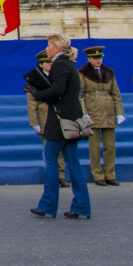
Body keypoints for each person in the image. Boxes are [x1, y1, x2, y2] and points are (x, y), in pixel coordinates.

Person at [27, 36, 91, 219]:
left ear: (56, 47)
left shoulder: (60, 65)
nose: (47, 49)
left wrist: (36, 93)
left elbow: (57, 90)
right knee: (73, 162)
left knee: (50, 160)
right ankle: (81, 206)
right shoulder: (69, 63)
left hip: (60, 120)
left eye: (48, 46)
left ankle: (48, 204)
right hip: (71, 119)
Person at [79, 46, 125, 186]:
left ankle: (110, 174)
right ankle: (98, 174)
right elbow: (80, 95)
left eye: (99, 58)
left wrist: (119, 112)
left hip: (109, 110)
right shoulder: (82, 73)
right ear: (89, 59)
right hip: (93, 110)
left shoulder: (109, 72)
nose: (98, 61)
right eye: (95, 58)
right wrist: (84, 112)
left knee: (110, 145)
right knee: (94, 146)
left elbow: (116, 93)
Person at [25, 48, 68, 186]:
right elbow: (32, 103)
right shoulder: (36, 79)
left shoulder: (57, 75)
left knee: (60, 149)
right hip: (44, 117)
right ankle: (52, 177)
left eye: (51, 62)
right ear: (41, 64)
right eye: (46, 62)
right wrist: (34, 123)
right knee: (49, 150)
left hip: (59, 115)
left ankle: (61, 175)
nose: (50, 64)